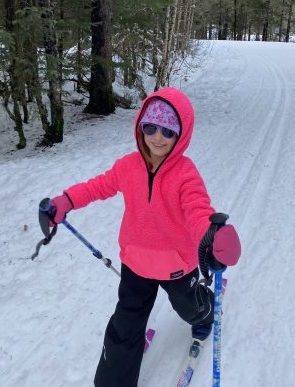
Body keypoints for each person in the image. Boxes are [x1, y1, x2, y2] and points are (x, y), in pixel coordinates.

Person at [47, 87, 241, 387]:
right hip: (135, 264)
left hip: (177, 265)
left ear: (181, 134)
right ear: (141, 126)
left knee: (190, 308)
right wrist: (68, 200)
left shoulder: (185, 174)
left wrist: (212, 235)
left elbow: (197, 210)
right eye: (150, 127)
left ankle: (206, 313)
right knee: (125, 325)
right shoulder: (128, 166)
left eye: (168, 131)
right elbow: (99, 186)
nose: (157, 137)